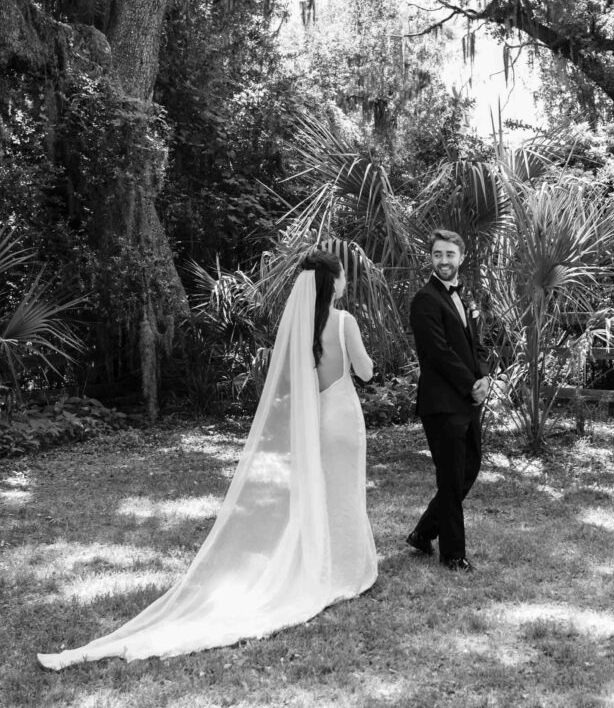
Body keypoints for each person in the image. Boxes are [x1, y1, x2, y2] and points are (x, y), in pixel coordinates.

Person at [37, 249, 376, 669]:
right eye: (342, 277)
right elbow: (365, 372)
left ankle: (315, 562)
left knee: (316, 494)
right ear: (334, 282)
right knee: (342, 492)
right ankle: (345, 568)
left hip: (314, 423)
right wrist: (367, 359)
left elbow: (291, 385)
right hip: (342, 420)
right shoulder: (344, 323)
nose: (345, 282)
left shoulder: (300, 327)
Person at [406, 229, 489, 572]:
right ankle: (453, 554)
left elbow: (476, 345)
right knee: (452, 478)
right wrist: (470, 384)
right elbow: (438, 353)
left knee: (470, 468)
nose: (444, 260)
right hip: (441, 403)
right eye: (438, 254)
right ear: (431, 258)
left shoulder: (463, 298)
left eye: (450, 254)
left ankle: (423, 532)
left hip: (468, 399)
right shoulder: (425, 300)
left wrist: (484, 376)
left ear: (461, 258)